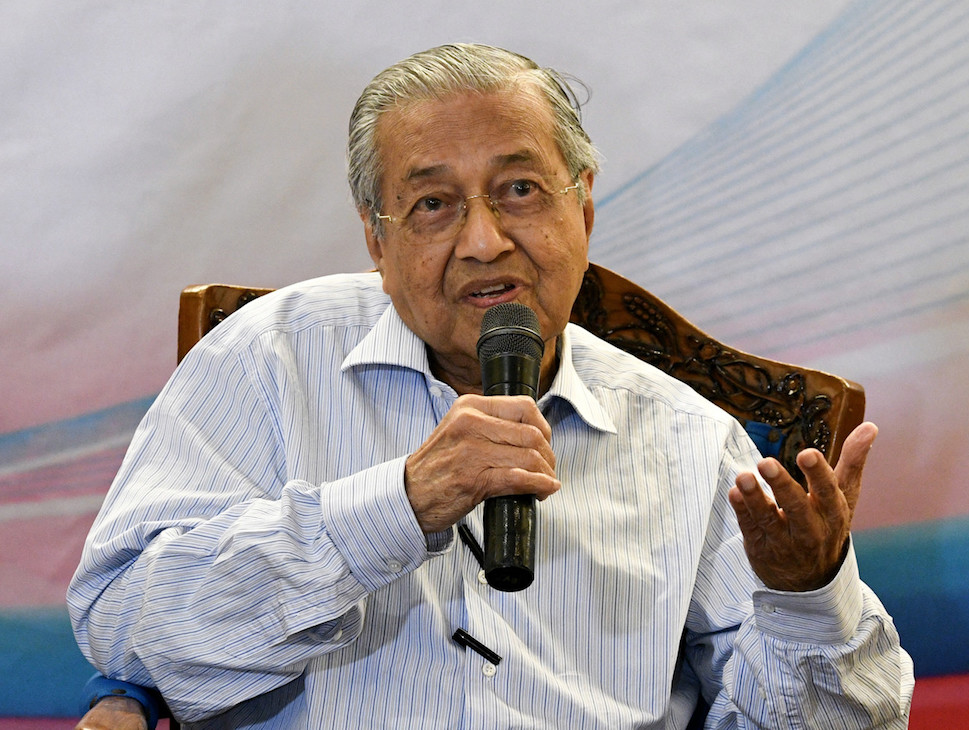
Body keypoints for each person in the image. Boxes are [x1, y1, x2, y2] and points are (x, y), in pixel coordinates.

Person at [69, 43, 913, 728]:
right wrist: (396, 506)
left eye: (519, 190)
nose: (484, 241)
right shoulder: (269, 358)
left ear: (582, 208)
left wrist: (807, 597)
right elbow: (124, 627)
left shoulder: (690, 437)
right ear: (376, 236)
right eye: (433, 205)